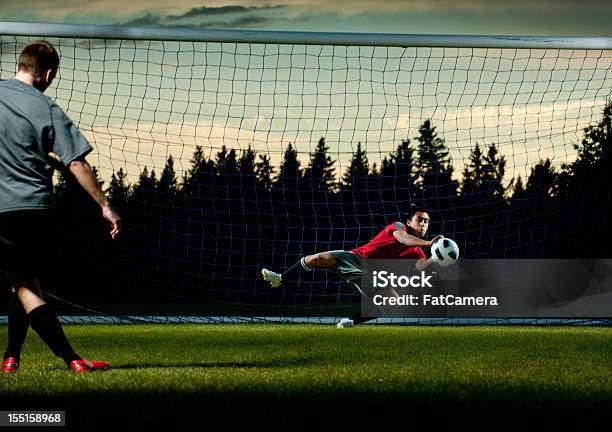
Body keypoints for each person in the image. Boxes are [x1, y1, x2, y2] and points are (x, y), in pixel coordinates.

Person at [0, 40, 121, 372]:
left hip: (2, 209)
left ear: (19, 65)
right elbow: (78, 165)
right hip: (34, 209)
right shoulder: (46, 107)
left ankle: (37, 357)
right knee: (26, 283)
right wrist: (105, 206)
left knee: (22, 283)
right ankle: (45, 359)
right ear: (48, 73)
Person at [261, 206, 442, 327]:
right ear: (410, 222)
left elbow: (420, 267)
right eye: (420, 220)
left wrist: (438, 257)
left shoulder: (418, 251)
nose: (423, 224)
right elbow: (403, 239)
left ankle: (351, 321)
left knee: (392, 302)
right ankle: (280, 278)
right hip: (355, 258)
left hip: (371, 274)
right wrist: (428, 243)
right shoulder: (399, 226)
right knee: (315, 258)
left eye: (426, 221)